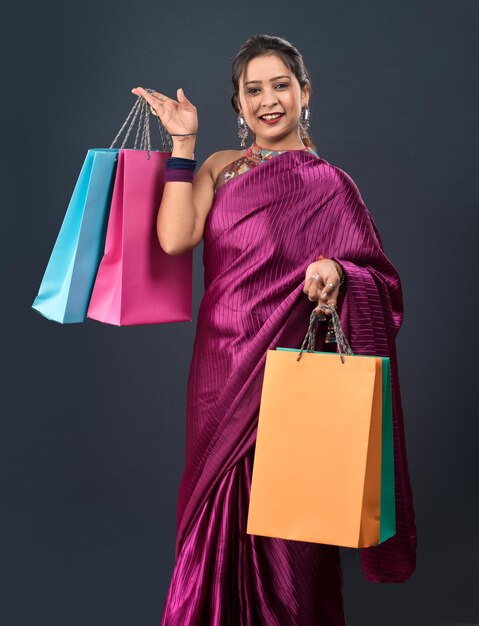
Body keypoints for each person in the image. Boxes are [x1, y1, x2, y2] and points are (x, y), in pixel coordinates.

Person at [132, 33, 417, 626]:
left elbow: (381, 287)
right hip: (219, 372)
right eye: (253, 89)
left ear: (304, 92)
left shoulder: (331, 185)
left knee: (291, 535)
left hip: (291, 380)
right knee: (212, 521)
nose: (269, 100)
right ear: (238, 105)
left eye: (280, 85)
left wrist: (337, 271)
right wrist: (184, 141)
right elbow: (174, 239)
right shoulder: (218, 168)